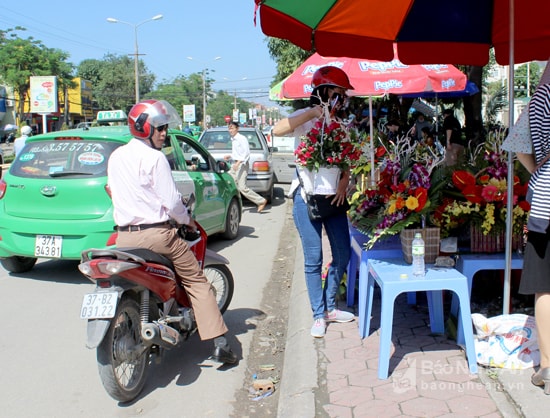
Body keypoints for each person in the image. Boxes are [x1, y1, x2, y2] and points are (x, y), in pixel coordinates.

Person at [107, 99, 237, 364]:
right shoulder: (154, 158)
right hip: (158, 237)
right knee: (197, 282)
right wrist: (187, 220)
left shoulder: (117, 156)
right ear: (144, 128)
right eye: (159, 128)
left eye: (165, 127)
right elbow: (172, 202)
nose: (164, 133)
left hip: (124, 237)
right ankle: (220, 343)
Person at [272, 66, 354, 338]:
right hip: (306, 198)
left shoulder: (344, 123)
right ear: (323, 92)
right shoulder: (305, 118)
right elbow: (278, 129)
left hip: (335, 197)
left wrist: (345, 181)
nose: (341, 98)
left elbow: (348, 159)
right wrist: (311, 114)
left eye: (344, 94)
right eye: (337, 92)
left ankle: (331, 307)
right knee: (313, 258)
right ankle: (318, 315)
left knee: (343, 254)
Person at [516, 83, 550, 394]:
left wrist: (538, 170)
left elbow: (517, 142)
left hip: (545, 200)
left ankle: (548, 368)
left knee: (545, 286)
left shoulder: (540, 95)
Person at [225, 121, 268, 212]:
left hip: (241, 165)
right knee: (230, 183)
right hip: (235, 164)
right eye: (229, 128)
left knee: (242, 187)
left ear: (237, 128)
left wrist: (238, 162)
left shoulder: (242, 138)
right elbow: (237, 153)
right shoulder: (233, 139)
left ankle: (261, 201)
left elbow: (246, 153)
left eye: (232, 128)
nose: (230, 130)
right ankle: (236, 206)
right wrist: (230, 156)